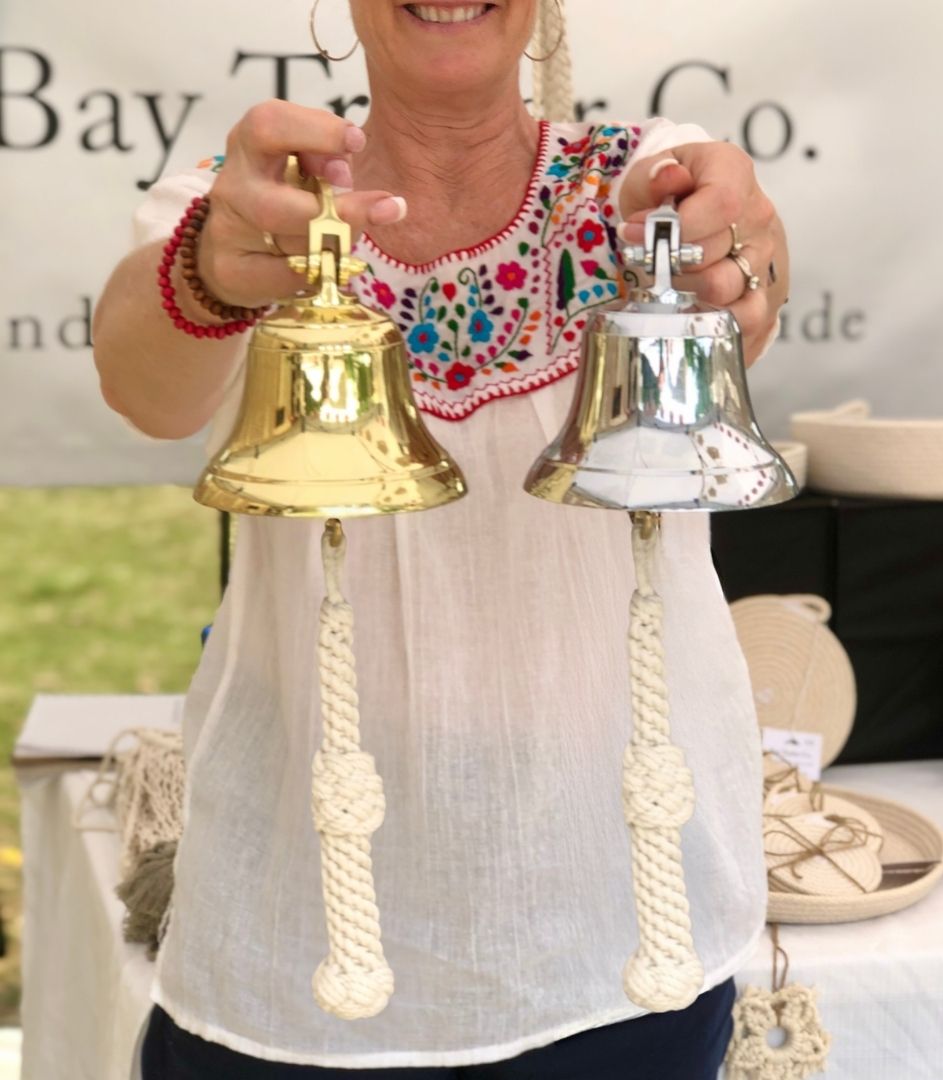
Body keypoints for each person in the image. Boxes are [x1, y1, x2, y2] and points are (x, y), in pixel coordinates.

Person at [93, 1, 789, 1076]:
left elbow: (747, 297)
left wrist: (738, 261)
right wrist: (210, 275)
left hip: (619, 918)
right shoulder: (258, 203)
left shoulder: (645, 186)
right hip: (303, 922)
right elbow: (146, 390)